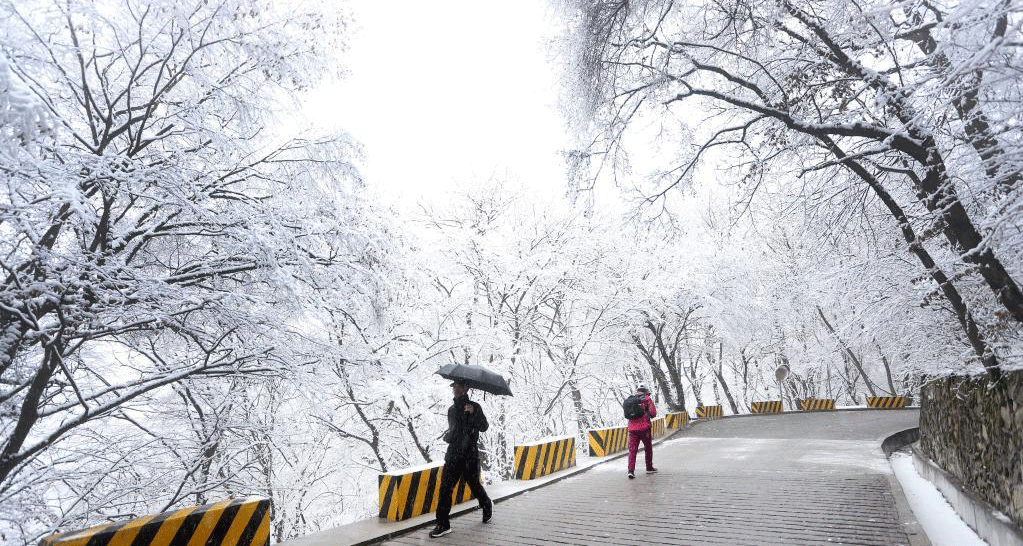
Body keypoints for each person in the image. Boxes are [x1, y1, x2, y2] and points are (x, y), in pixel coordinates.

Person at [429, 380, 493, 538]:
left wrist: (473, 414)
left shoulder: (474, 407)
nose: (456, 390)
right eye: (454, 388)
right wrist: (448, 436)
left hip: (469, 455)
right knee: (445, 488)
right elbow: (454, 431)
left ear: (466, 389)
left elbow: (483, 427)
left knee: (474, 485)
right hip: (453, 455)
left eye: (459, 387)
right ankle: (443, 524)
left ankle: (486, 504)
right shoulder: (451, 410)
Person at [627, 384, 658, 479]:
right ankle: (649, 468)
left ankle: (631, 471)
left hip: (632, 429)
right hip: (645, 429)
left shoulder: (631, 399)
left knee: (632, 450)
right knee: (648, 448)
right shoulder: (647, 399)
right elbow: (653, 414)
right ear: (646, 391)